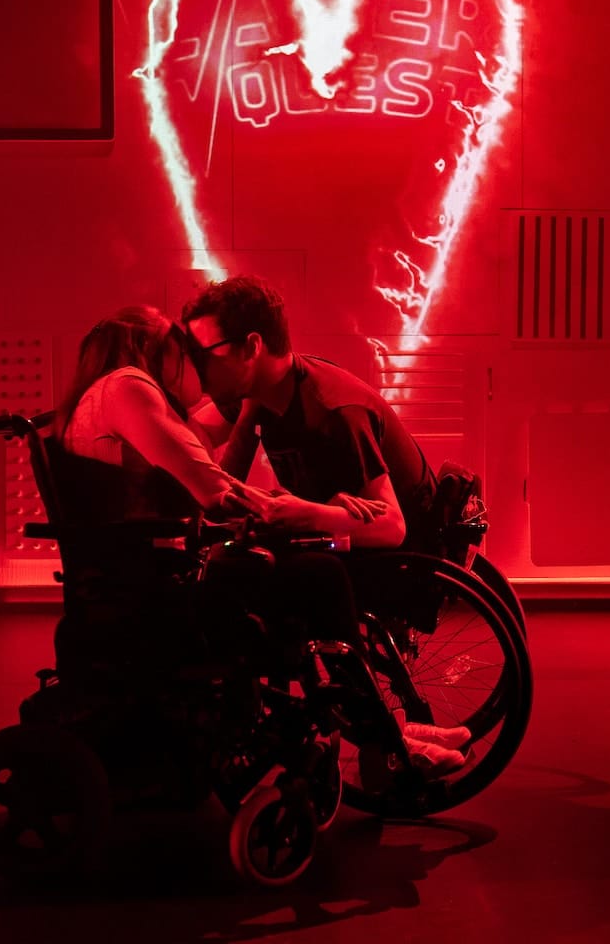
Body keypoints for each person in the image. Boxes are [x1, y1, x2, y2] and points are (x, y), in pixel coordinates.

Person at [55, 304, 461, 779]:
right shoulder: (129, 386)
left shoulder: (102, 393)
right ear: (152, 348)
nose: (191, 362)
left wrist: (287, 505)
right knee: (320, 574)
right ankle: (383, 740)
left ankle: (381, 727)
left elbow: (203, 472)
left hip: (139, 577)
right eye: (179, 348)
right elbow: (214, 488)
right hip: (157, 591)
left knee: (307, 565)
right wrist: (314, 513)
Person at [181, 276, 471, 769]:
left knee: (297, 582)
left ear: (251, 347)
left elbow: (393, 527)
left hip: (402, 553)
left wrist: (306, 511)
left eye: (206, 351)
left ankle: (379, 736)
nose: (197, 365)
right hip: (341, 527)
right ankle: (385, 726)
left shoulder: (333, 410)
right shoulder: (266, 395)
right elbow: (205, 453)